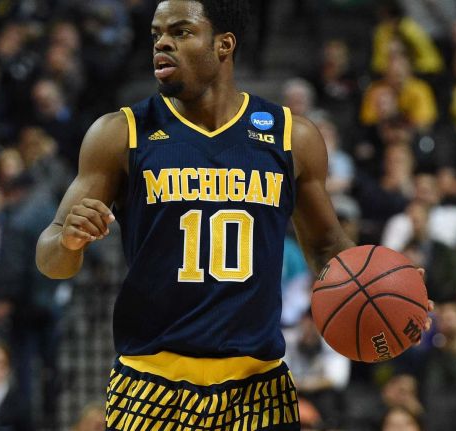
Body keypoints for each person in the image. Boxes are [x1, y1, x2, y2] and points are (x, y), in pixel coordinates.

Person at [35, 1, 430, 429]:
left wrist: (391, 282)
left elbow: (327, 248)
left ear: (224, 45)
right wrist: (68, 240)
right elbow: (50, 259)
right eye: (156, 35)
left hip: (257, 386)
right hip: (151, 384)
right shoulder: (118, 132)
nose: (162, 43)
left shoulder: (291, 136)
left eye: (181, 31)